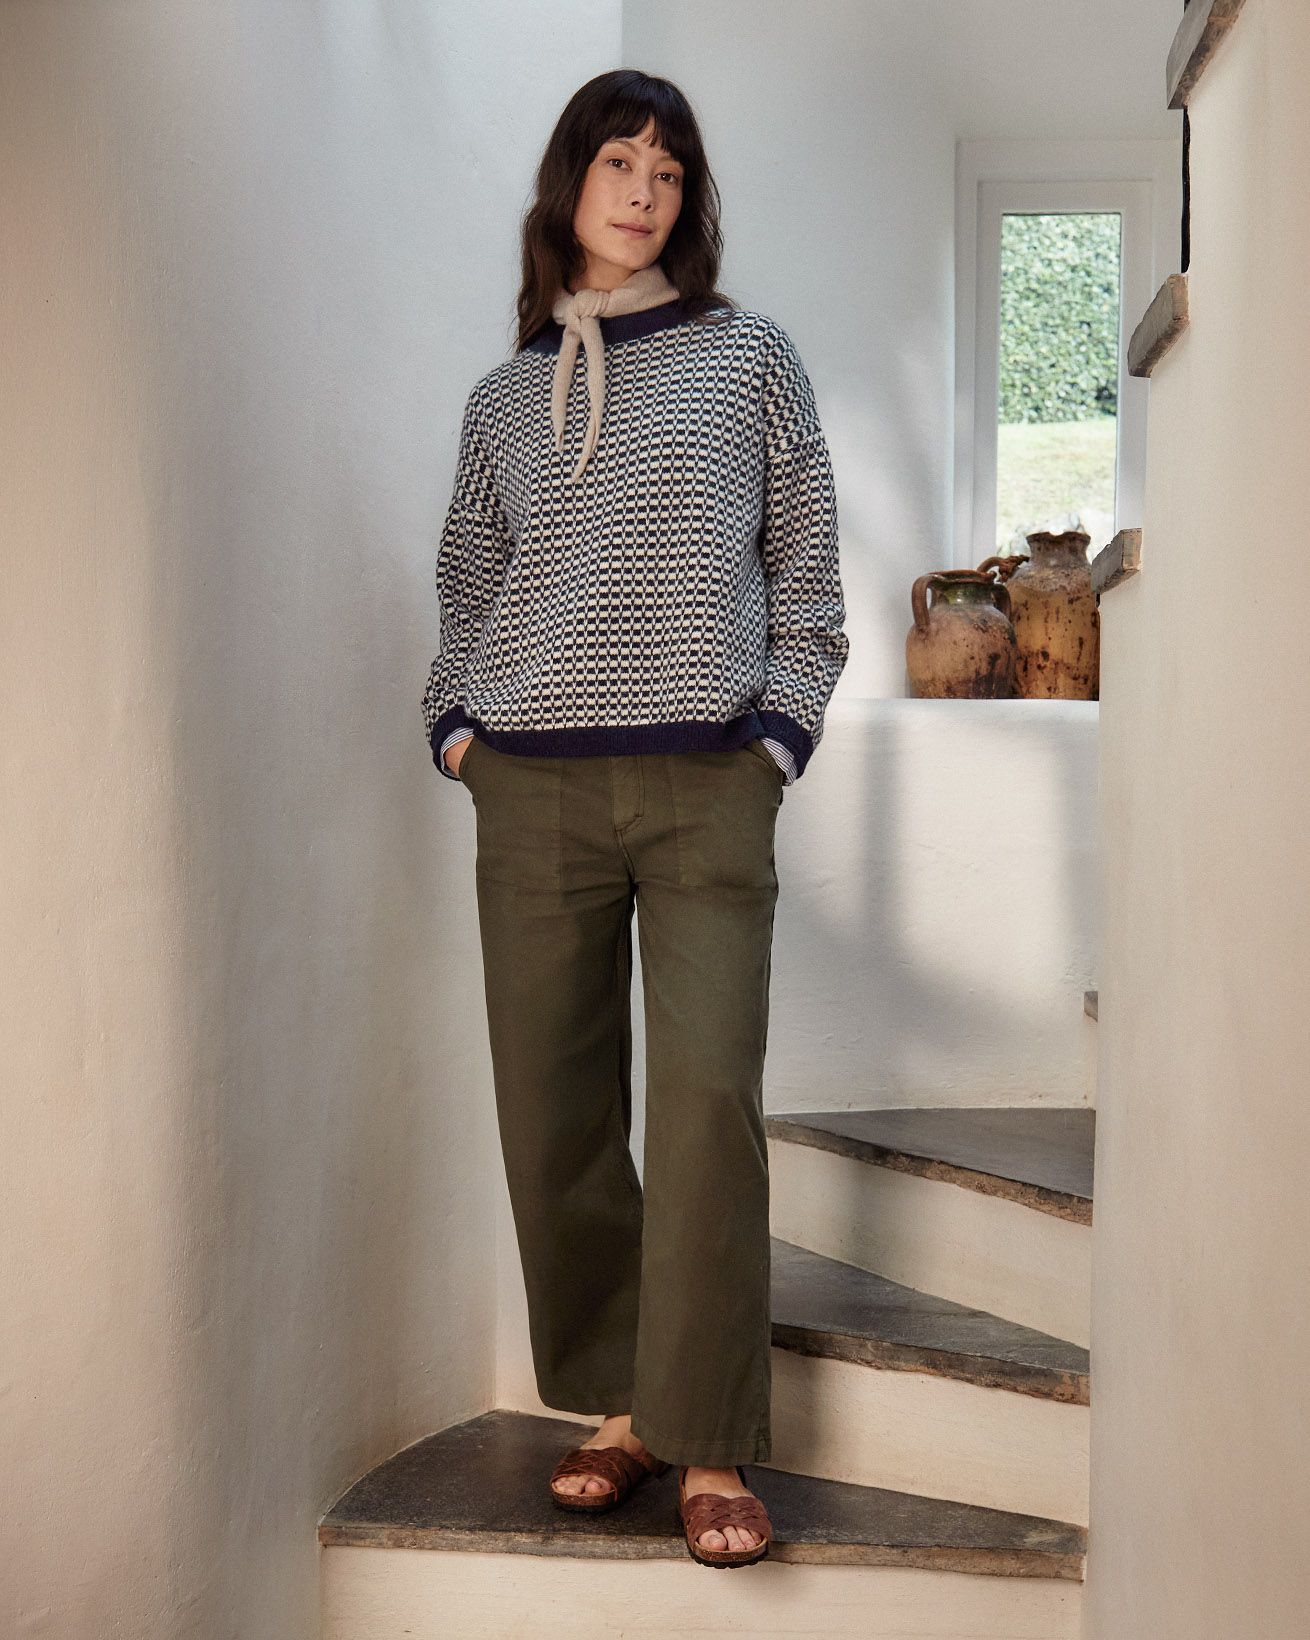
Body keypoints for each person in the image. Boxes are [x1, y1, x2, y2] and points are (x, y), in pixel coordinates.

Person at [421, 67, 848, 1570]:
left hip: (705, 779)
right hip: (530, 784)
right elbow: (468, 577)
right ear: (572, 182)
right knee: (553, 1106)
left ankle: (709, 1432)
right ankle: (623, 1405)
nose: (645, 191)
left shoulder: (749, 358)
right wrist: (458, 726)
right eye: (620, 162)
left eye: (669, 170)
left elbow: (806, 563)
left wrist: (777, 734)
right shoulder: (502, 395)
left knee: (709, 1099)